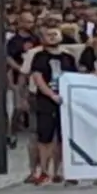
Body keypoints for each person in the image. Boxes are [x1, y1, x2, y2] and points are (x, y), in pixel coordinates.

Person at [29, 26, 78, 185]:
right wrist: (51, 95)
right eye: (48, 35)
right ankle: (44, 171)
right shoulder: (39, 57)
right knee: (45, 138)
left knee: (63, 138)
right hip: (46, 102)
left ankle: (60, 171)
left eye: (54, 34)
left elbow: (74, 78)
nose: (51, 37)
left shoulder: (68, 58)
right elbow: (38, 78)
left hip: (65, 101)